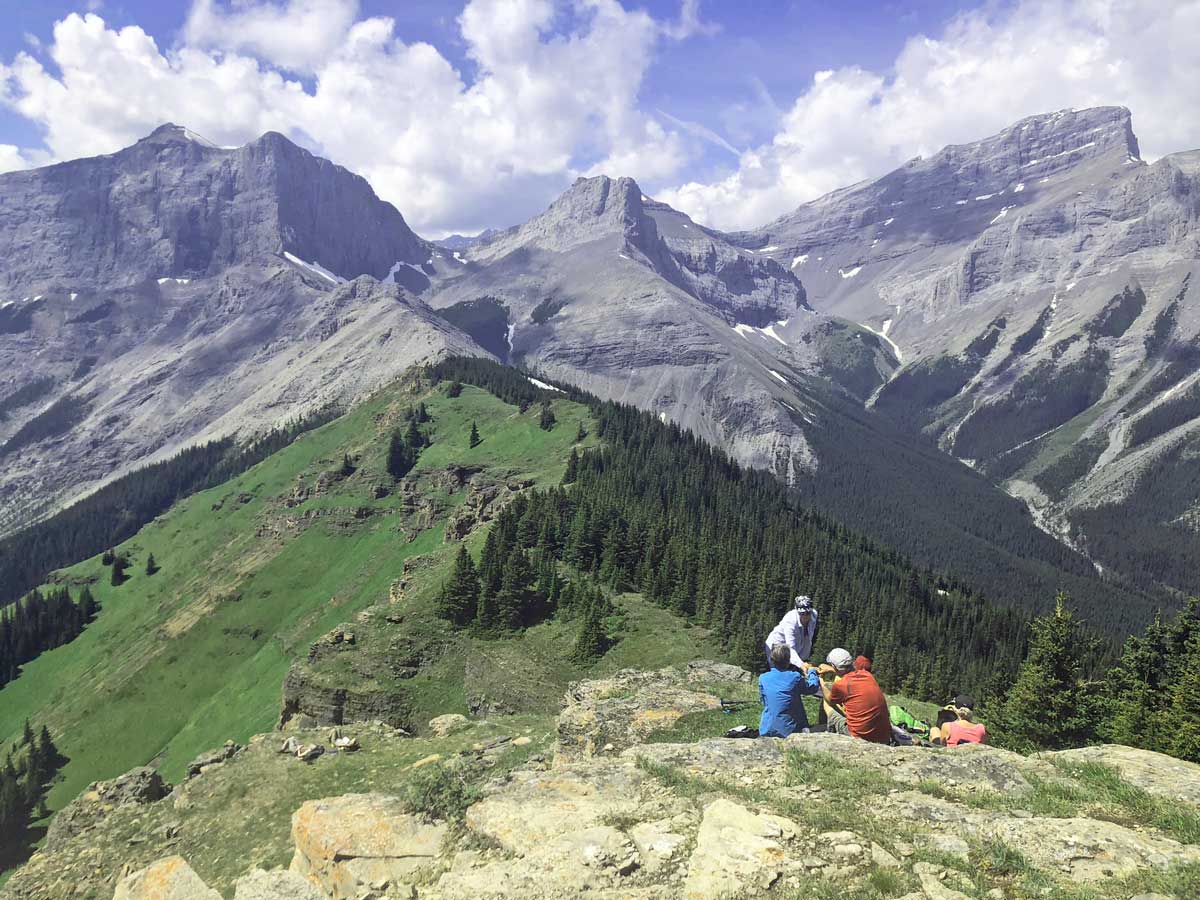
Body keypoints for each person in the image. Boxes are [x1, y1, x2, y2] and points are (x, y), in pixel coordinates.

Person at [813, 648, 891, 744]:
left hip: (860, 737)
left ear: (834, 666)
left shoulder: (842, 685)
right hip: (883, 736)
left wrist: (821, 680)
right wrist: (832, 669)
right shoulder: (867, 675)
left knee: (826, 701)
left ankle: (827, 730)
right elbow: (849, 673)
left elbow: (830, 699)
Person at [759, 643, 821, 738]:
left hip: (768, 728)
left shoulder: (763, 678)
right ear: (788, 661)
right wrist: (812, 672)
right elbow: (812, 688)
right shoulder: (794, 676)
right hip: (791, 730)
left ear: (772, 660)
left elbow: (763, 701)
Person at [764, 595, 819, 671]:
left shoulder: (814, 615)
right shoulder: (790, 621)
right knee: (777, 671)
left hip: (797, 645)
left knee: (794, 671)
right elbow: (791, 648)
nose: (805, 616)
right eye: (802, 613)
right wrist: (801, 664)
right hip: (777, 645)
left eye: (808, 613)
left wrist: (804, 660)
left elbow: (808, 637)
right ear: (797, 611)